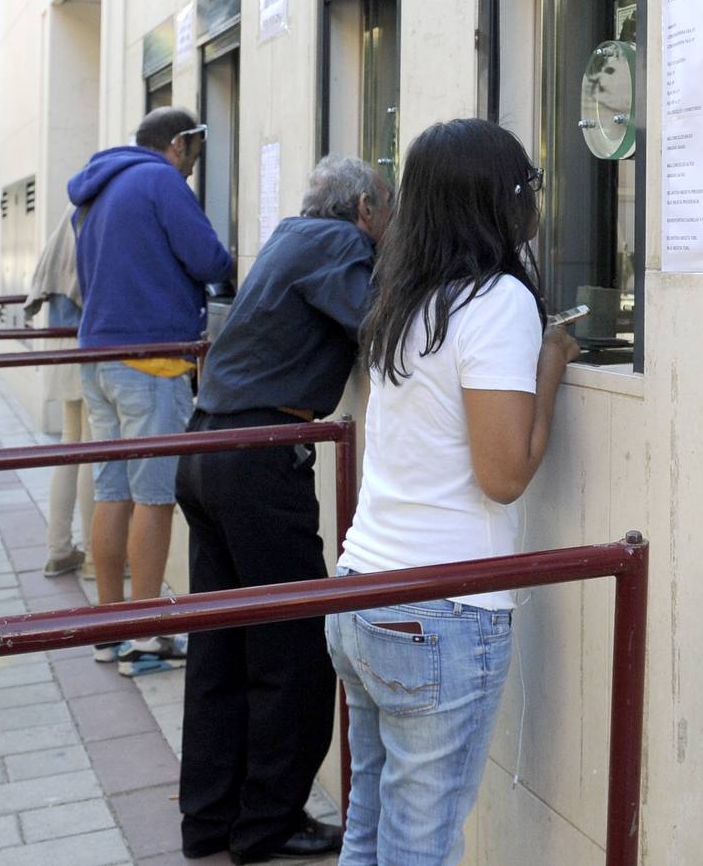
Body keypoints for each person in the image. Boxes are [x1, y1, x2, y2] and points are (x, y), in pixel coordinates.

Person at [325, 119, 579, 864]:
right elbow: (503, 478)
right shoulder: (496, 300)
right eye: (525, 186)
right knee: (419, 847)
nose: (532, 200)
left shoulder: (405, 298)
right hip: (441, 611)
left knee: (369, 828)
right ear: (495, 199)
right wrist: (553, 365)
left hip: (363, 592)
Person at [174, 155, 391, 863]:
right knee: (294, 649)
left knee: (222, 645)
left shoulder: (290, 236)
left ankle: (209, 819)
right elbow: (383, 328)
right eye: (388, 219)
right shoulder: (340, 244)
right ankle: (269, 822)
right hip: (259, 457)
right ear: (365, 211)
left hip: (207, 444)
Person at [66, 107, 233, 668]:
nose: (192, 167)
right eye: (195, 150)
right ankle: (147, 635)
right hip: (152, 363)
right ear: (180, 143)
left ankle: (109, 628)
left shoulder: (98, 184)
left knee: (112, 492)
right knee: (154, 498)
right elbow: (209, 258)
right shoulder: (160, 180)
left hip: (99, 356)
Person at [24, 203, 95, 579]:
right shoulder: (94, 212)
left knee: (72, 446)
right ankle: (97, 560)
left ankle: (59, 549)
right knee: (90, 450)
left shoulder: (70, 210)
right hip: (83, 341)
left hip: (60, 338)